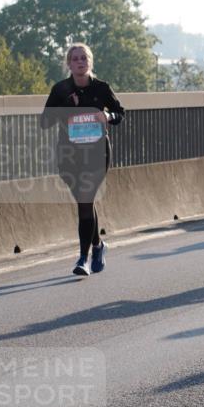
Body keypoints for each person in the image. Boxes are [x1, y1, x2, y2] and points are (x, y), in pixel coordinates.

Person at [40, 44, 124, 276]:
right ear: (68, 64)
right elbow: (44, 122)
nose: (80, 62)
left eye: (84, 58)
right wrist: (66, 111)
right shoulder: (60, 89)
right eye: (75, 59)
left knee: (85, 201)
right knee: (85, 202)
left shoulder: (102, 88)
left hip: (97, 153)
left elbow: (120, 114)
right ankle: (98, 245)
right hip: (69, 154)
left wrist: (106, 115)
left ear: (90, 62)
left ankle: (82, 259)